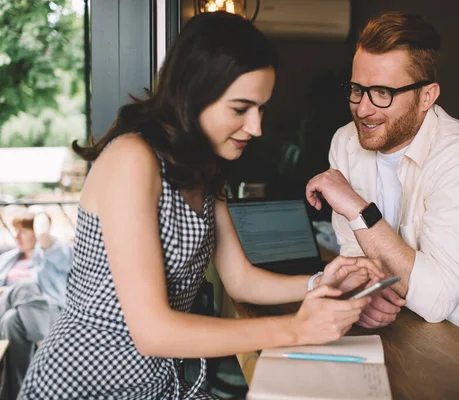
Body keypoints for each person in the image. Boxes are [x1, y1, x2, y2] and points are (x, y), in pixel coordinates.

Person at [19, 12, 383, 400]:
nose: (257, 127)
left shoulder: (203, 168)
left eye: (261, 108)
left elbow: (240, 279)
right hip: (88, 384)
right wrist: (298, 328)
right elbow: (153, 332)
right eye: (240, 108)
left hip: (158, 384)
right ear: (195, 93)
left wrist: (320, 282)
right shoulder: (133, 159)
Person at [306, 11, 459, 363]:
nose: (363, 109)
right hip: (407, 332)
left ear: (427, 95)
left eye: (383, 92)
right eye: (357, 90)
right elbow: (354, 253)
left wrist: (358, 208)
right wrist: (365, 292)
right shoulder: (346, 142)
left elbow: (436, 300)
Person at [0, 210, 72, 400]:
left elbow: (48, 240)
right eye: (15, 231)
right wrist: (9, 292)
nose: (16, 237)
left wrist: (41, 226)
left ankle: (16, 395)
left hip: (46, 312)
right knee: (24, 289)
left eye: (22, 231)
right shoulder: (7, 258)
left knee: (11, 320)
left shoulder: (53, 253)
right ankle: (46, 350)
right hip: (6, 303)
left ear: (35, 233)